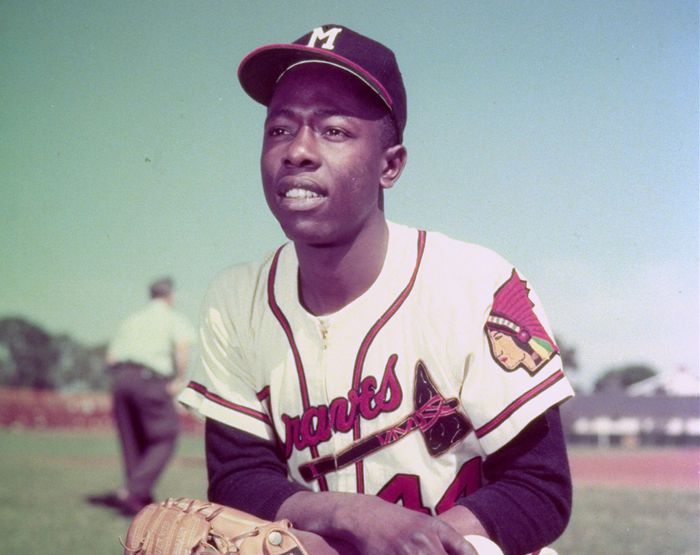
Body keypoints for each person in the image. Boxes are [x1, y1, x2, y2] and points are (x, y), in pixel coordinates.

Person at [179, 24, 575, 555]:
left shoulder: (476, 283)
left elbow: (539, 489)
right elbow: (239, 477)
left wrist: (414, 542)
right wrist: (350, 516)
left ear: (390, 165)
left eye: (334, 131)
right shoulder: (236, 301)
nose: (298, 150)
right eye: (279, 130)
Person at [89, 277, 195, 516]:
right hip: (150, 379)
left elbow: (111, 358)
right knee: (165, 435)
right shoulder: (173, 319)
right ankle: (133, 491)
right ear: (170, 296)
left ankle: (140, 499)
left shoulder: (132, 320)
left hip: (121, 378)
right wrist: (178, 379)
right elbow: (183, 349)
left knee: (132, 439)